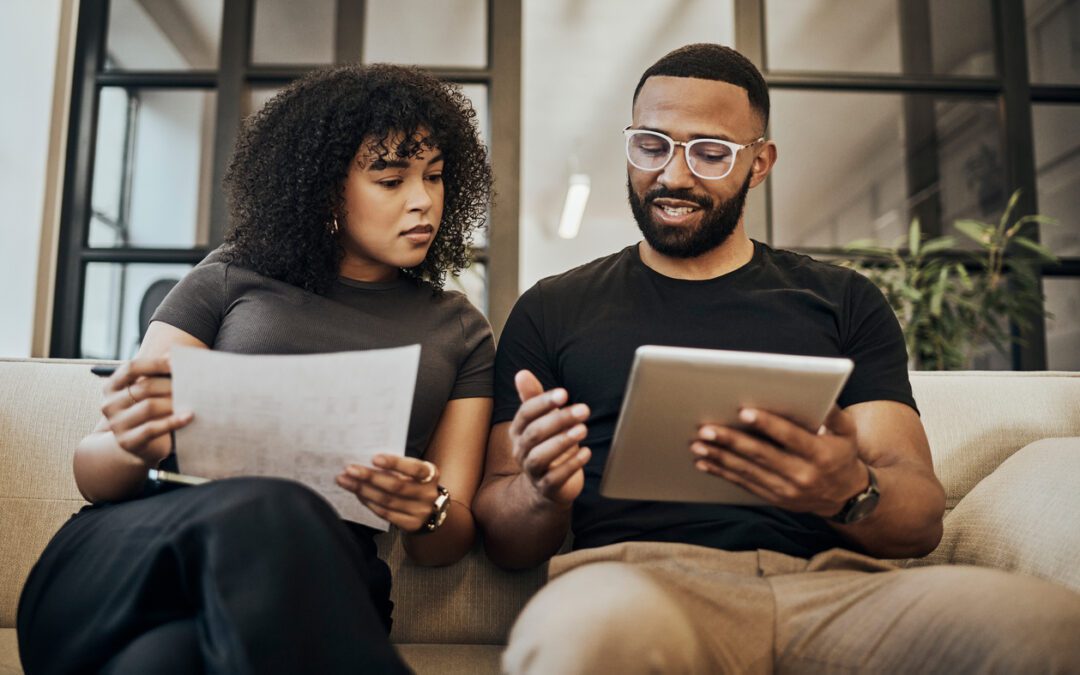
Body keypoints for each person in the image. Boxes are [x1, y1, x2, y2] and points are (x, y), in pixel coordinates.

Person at [473, 44, 1080, 674]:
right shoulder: (552, 309)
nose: (673, 176)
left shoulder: (842, 299)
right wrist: (542, 495)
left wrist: (848, 490)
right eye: (652, 145)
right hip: (637, 585)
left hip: (832, 589)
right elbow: (505, 537)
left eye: (710, 153)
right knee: (586, 635)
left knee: (1043, 628)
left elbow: (920, 520)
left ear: (760, 163)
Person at [18, 63, 494, 674]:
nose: (423, 199)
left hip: (316, 583)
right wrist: (136, 444)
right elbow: (95, 472)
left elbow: (445, 543)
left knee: (162, 662)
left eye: (433, 176)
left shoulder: (458, 328)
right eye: (390, 179)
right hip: (143, 554)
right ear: (325, 189)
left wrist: (427, 507)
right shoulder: (230, 275)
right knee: (270, 506)